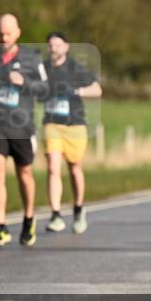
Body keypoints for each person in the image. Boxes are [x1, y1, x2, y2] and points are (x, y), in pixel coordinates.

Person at [0, 14, 48, 247]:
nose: (3, 38)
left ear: (18, 32)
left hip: (21, 126)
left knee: (24, 175)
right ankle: (0, 226)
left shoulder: (31, 57)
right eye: (0, 33)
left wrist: (24, 83)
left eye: (8, 33)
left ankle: (29, 219)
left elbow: (44, 88)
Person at [42, 32, 102, 234]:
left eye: (57, 45)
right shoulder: (43, 69)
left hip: (75, 125)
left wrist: (77, 92)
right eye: (50, 46)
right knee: (53, 166)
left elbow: (97, 89)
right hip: (52, 124)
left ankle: (78, 208)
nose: (54, 49)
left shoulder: (76, 68)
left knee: (74, 167)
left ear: (66, 47)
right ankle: (56, 214)